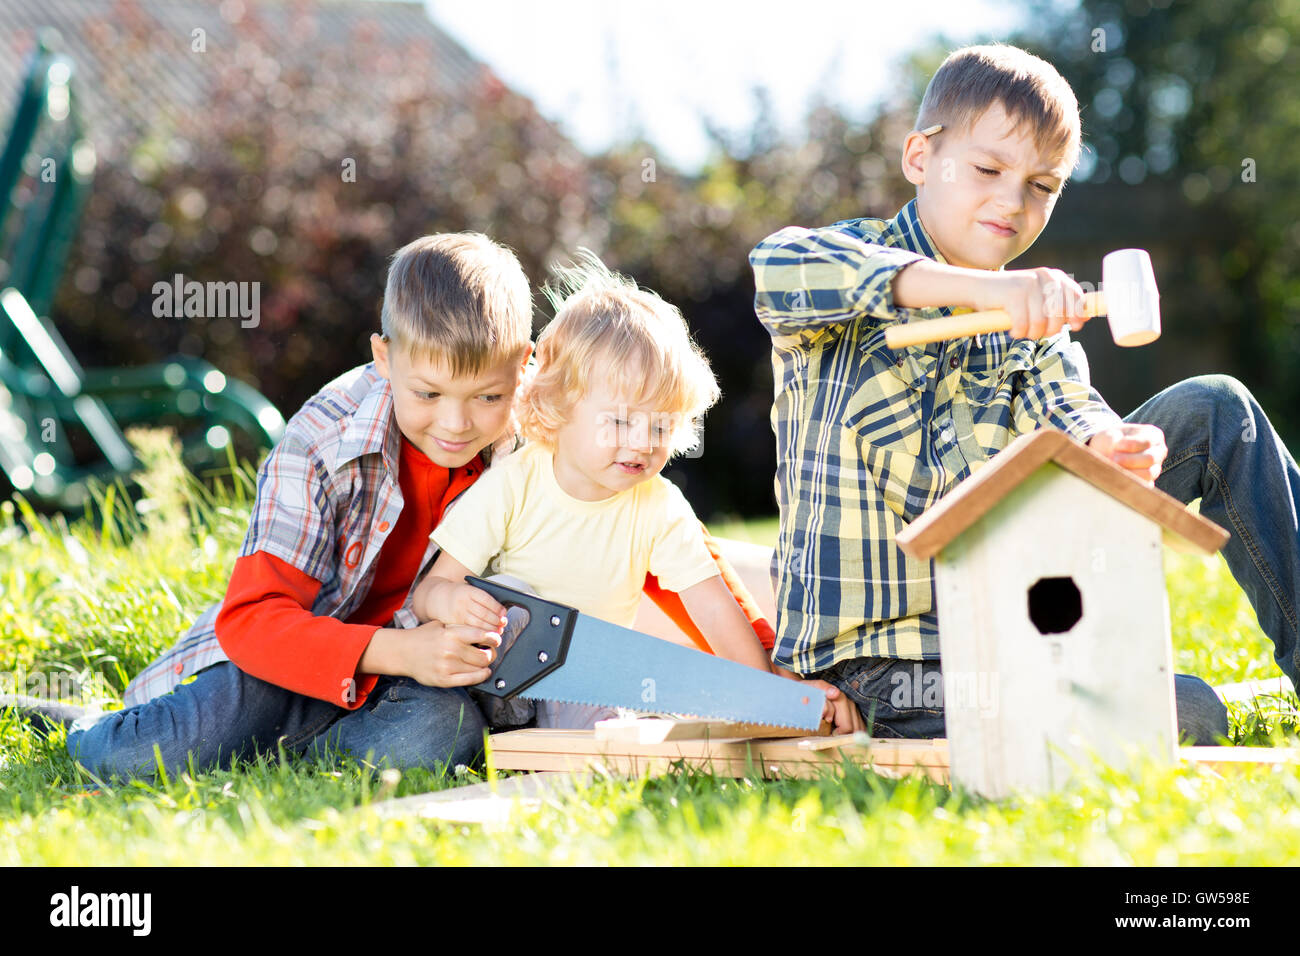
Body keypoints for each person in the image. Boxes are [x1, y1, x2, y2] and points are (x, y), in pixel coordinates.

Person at [42, 233, 784, 778]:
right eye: (427, 394)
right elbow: (253, 622)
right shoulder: (324, 441)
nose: (456, 424)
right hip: (289, 666)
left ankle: (314, 758)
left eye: (487, 397)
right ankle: (77, 725)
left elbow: (658, 551)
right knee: (144, 755)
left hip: (424, 689)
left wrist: (771, 678)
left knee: (430, 738)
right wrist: (401, 650)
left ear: (524, 369)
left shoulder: (541, 437)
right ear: (384, 358)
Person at [749, 43, 1300, 743]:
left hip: (1003, 626)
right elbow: (779, 267)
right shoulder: (839, 265)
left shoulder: (1032, 329)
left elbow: (1071, 408)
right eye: (987, 169)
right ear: (920, 158)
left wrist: (1114, 446)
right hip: (879, 668)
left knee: (1218, 407)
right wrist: (991, 290)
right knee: (1181, 708)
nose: (1013, 200)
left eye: (1043, 185)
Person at [412, 255, 855, 730]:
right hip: (487, 672)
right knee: (513, 599)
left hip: (578, 684)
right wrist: (449, 602)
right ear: (559, 405)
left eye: (661, 424)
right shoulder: (515, 482)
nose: (643, 442)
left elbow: (711, 603)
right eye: (621, 421)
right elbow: (429, 592)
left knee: (609, 715)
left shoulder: (658, 505)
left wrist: (766, 692)